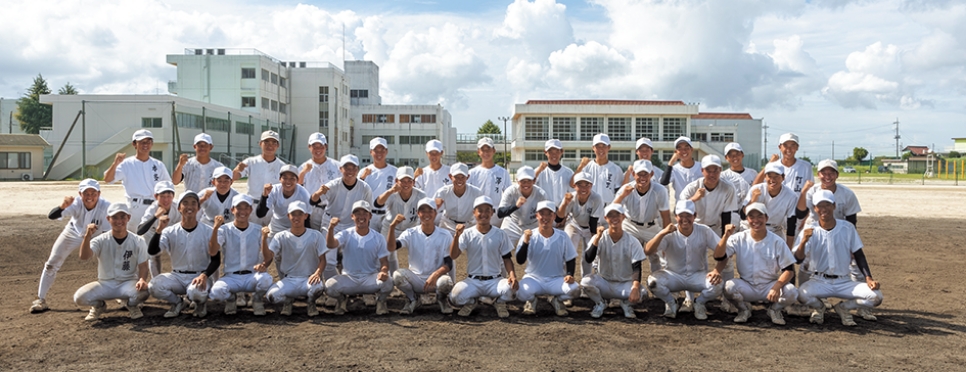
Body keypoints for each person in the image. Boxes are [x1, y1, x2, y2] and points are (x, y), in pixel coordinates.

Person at [795, 159, 871, 320]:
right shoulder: (812, 191)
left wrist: (850, 244)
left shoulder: (847, 194)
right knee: (808, 264)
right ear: (818, 174)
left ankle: (860, 305)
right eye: (824, 173)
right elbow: (802, 213)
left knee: (854, 265)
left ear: (837, 175)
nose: (827, 176)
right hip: (816, 229)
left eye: (831, 173)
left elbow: (852, 219)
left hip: (842, 231)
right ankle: (813, 301)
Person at [793, 190, 883, 326]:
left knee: (876, 296)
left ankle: (843, 308)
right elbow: (798, 259)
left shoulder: (847, 228)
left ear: (834, 206)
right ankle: (819, 308)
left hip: (844, 281)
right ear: (815, 208)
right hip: (819, 280)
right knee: (801, 294)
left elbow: (859, 254)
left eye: (827, 205)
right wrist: (803, 241)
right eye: (820, 206)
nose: (824, 209)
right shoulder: (810, 230)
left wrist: (868, 278)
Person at [30, 179, 111, 313]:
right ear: (80, 194)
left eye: (93, 193)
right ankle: (40, 299)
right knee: (51, 263)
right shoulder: (75, 204)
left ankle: (122, 296)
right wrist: (62, 206)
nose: (89, 196)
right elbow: (52, 216)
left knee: (113, 261)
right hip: (72, 233)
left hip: (98, 235)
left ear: (99, 194)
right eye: (86, 193)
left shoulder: (106, 207)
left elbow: (109, 232)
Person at [714, 203, 798, 325]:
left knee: (792, 291)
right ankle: (743, 309)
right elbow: (719, 256)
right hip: (747, 285)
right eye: (751, 217)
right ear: (747, 219)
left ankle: (774, 310)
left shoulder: (777, 241)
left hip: (769, 286)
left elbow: (789, 270)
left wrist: (776, 287)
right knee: (729, 287)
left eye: (760, 216)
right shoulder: (738, 238)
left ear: (766, 218)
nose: (755, 220)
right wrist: (725, 236)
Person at [645, 200, 723, 320]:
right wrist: (662, 233)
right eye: (681, 216)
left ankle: (699, 303)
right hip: (674, 275)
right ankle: (671, 302)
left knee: (718, 285)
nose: (685, 219)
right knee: (653, 282)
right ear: (676, 216)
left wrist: (717, 270)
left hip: (697, 275)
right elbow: (648, 251)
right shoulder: (669, 232)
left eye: (688, 216)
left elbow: (723, 251)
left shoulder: (704, 230)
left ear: (695, 216)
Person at [147, 191, 220, 318]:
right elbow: (153, 251)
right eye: (185, 203)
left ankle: (200, 304)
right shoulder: (170, 231)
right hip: (177, 276)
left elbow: (216, 259)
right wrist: (158, 230)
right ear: (179, 208)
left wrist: (205, 275)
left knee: (195, 292)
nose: (189, 207)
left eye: (193, 203)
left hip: (200, 276)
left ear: (198, 208)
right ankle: (178, 302)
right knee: (154, 286)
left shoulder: (208, 231)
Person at [72, 203, 150, 321]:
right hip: (105, 284)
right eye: (115, 217)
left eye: (122, 217)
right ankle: (99, 306)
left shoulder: (138, 241)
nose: (119, 221)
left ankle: (131, 305)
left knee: (144, 292)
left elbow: (143, 265)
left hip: (127, 282)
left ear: (128, 218)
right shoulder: (100, 240)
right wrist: (87, 236)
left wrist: (142, 279)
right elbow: (84, 256)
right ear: (108, 219)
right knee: (79, 298)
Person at [448, 196, 518, 318]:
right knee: (455, 297)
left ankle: (499, 302)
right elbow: (453, 255)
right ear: (474, 213)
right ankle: (472, 302)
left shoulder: (500, 234)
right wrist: (456, 237)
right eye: (480, 210)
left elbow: (507, 258)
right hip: (473, 280)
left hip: (495, 281)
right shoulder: (467, 234)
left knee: (512, 289)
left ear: (492, 212)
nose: (484, 214)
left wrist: (512, 275)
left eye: (487, 210)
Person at [387, 198, 456, 314]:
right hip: (416, 280)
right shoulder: (411, 233)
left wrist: (435, 275)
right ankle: (413, 299)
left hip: (436, 281)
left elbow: (449, 263)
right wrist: (392, 227)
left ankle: (442, 299)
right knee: (397, 276)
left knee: (446, 282)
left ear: (435, 213)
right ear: (418, 213)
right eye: (422, 211)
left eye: (430, 211)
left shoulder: (445, 235)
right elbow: (392, 247)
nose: (426, 214)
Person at [208, 194, 273, 316]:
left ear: (250, 210)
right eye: (239, 208)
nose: (242, 212)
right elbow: (212, 251)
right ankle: (231, 299)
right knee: (216, 292)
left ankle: (257, 300)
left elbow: (268, 258)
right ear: (232, 210)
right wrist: (215, 229)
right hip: (231, 277)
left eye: (246, 208)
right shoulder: (224, 230)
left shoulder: (258, 230)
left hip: (252, 276)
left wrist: (264, 240)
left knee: (266, 280)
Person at [325, 201, 394, 315]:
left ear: (370, 216)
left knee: (389, 282)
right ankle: (342, 300)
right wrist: (331, 228)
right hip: (349, 278)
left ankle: (381, 302)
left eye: (364, 213)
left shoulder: (378, 237)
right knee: (329, 286)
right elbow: (331, 244)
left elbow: (384, 261)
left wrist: (384, 272)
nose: (361, 217)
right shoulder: (346, 234)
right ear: (352, 216)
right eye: (357, 213)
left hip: (370, 278)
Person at [311, 154, 373, 280]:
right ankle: (333, 289)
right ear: (341, 169)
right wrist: (318, 193)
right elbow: (314, 201)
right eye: (346, 168)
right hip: (331, 225)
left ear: (358, 169)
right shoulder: (333, 185)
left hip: (352, 226)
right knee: (329, 260)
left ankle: (351, 285)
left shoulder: (365, 188)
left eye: (353, 168)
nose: (350, 171)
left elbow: (368, 211)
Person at [580, 204, 647, 319]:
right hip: (604, 282)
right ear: (605, 218)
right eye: (610, 215)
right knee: (585, 282)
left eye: (617, 215)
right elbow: (588, 258)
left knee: (643, 293)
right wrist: (597, 238)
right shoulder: (599, 237)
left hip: (624, 283)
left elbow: (637, 267)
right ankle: (600, 303)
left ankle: (626, 304)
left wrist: (635, 288)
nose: (614, 218)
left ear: (623, 217)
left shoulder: (632, 241)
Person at [515, 200, 579, 316]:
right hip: (534, 278)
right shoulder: (529, 235)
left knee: (574, 289)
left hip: (556, 279)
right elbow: (520, 260)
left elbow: (570, 258)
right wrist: (525, 242)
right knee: (521, 291)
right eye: (541, 214)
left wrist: (569, 274)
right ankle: (531, 300)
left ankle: (557, 300)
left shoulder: (562, 236)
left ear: (554, 216)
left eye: (549, 214)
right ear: (536, 216)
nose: (545, 217)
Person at [264, 201, 328, 316]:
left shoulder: (316, 235)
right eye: (293, 214)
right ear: (288, 216)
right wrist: (264, 239)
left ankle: (311, 303)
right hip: (289, 279)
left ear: (306, 216)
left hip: (309, 278)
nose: (296, 217)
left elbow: (323, 259)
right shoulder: (280, 236)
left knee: (318, 288)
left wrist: (317, 273)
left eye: (300, 214)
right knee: (272, 296)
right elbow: (269, 256)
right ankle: (288, 301)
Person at [103, 129, 172, 231]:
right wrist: (115, 163)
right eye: (142, 142)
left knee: (156, 239)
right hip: (135, 208)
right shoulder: (126, 164)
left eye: (149, 142)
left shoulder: (158, 165)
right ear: (134, 144)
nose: (146, 145)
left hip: (155, 207)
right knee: (135, 239)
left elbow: (168, 185)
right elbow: (108, 179)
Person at [613, 160, 671, 273]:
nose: (642, 177)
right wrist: (623, 195)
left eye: (646, 174)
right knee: (625, 255)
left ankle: (659, 284)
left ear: (652, 174)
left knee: (660, 256)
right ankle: (630, 285)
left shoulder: (660, 190)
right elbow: (612, 210)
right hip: (630, 225)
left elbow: (666, 216)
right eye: (639, 174)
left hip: (651, 226)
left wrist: (667, 239)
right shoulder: (626, 189)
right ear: (633, 174)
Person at [375, 166, 426, 275]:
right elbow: (378, 203)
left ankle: (418, 277)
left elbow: (427, 213)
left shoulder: (421, 195)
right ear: (396, 181)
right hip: (390, 228)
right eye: (402, 181)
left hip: (411, 228)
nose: (406, 184)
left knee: (419, 252)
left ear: (413, 182)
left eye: (409, 181)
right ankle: (390, 278)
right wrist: (390, 191)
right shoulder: (392, 194)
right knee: (387, 253)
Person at [556, 172, 604, 283]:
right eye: (580, 185)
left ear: (591, 186)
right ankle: (565, 280)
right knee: (568, 250)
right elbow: (558, 219)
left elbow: (593, 222)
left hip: (592, 227)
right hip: (574, 225)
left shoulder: (596, 198)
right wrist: (564, 204)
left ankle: (585, 283)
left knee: (587, 257)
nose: (583, 188)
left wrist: (594, 241)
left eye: (587, 185)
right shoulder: (570, 197)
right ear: (574, 186)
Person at [233, 130, 286, 226]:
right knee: (253, 236)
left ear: (278, 145)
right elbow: (234, 178)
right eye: (266, 142)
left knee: (271, 237)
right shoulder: (251, 162)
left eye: (274, 143)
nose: (270, 146)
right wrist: (237, 170)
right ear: (260, 144)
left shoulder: (282, 166)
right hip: (253, 206)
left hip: (272, 208)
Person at [740, 162, 799, 248]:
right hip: (752, 227)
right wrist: (753, 200)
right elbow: (742, 215)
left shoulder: (791, 196)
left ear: (783, 177)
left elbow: (791, 224)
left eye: (776, 176)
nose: (772, 180)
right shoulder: (757, 189)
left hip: (775, 229)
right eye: (769, 176)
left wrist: (788, 250)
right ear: (765, 177)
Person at [680, 155, 736, 236]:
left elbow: (726, 215)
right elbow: (679, 210)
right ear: (702, 170)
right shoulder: (692, 188)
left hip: (716, 229)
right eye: (708, 171)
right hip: (694, 228)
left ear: (720, 170)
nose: (712, 174)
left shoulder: (728, 188)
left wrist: (724, 237)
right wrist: (693, 199)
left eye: (715, 170)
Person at [136, 181, 181, 278]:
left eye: (169, 196)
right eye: (162, 196)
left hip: (171, 233)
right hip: (152, 235)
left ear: (173, 196)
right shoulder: (152, 209)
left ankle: (179, 276)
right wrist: (155, 216)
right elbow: (140, 231)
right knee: (153, 256)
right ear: (156, 196)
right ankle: (156, 279)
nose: (166, 200)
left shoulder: (177, 206)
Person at [298, 132, 342, 230]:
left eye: (321, 146)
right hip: (312, 210)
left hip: (332, 209)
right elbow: (297, 189)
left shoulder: (336, 166)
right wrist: (303, 172)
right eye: (314, 146)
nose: (318, 150)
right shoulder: (303, 167)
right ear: (309, 147)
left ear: (326, 146)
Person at [497, 166, 549, 247]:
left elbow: (548, 212)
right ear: (517, 180)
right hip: (513, 223)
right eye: (523, 181)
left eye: (529, 181)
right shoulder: (511, 191)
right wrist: (515, 206)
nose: (526, 184)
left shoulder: (541, 194)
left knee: (542, 248)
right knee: (500, 246)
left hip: (533, 224)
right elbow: (500, 213)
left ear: (534, 180)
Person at [572, 134, 624, 211]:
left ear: (609, 147)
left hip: (608, 209)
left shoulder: (616, 169)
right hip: (589, 208)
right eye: (598, 146)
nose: (601, 149)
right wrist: (580, 166)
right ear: (593, 148)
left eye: (604, 146)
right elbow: (572, 184)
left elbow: (619, 192)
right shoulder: (586, 167)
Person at [257, 164, 312, 235]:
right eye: (285, 178)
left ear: (297, 180)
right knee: (269, 245)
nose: (288, 181)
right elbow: (261, 214)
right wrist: (264, 196)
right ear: (280, 179)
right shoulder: (274, 190)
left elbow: (307, 219)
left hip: (295, 227)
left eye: (292, 178)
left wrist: (305, 236)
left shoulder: (303, 193)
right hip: (277, 226)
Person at [468, 137, 511, 227]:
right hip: (477, 216)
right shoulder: (472, 173)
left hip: (496, 217)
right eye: (483, 150)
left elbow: (509, 195)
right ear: (478, 152)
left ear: (494, 151)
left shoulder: (502, 172)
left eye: (488, 150)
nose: (486, 153)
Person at [360, 137, 398, 233]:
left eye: (382, 150)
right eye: (376, 150)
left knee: (387, 246)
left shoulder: (395, 171)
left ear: (386, 151)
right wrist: (362, 178)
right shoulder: (364, 172)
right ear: (371, 152)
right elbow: (356, 192)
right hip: (370, 216)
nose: (379, 153)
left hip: (388, 215)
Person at [434, 163, 484, 234]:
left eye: (462, 177)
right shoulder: (442, 192)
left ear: (468, 177)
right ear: (450, 176)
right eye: (456, 177)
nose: (459, 180)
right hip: (447, 225)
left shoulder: (477, 192)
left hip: (469, 225)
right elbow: (432, 208)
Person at [659, 136, 704, 202]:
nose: (684, 151)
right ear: (676, 152)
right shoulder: (674, 169)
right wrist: (671, 162)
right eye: (680, 148)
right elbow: (663, 182)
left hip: (699, 208)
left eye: (686, 148)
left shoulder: (702, 167)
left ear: (691, 149)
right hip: (681, 208)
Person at [534, 139, 574, 206]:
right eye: (550, 152)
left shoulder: (569, 173)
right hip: (544, 212)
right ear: (545, 152)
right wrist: (539, 170)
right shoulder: (539, 171)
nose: (554, 155)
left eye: (557, 151)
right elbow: (530, 185)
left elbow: (573, 193)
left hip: (563, 212)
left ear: (562, 152)